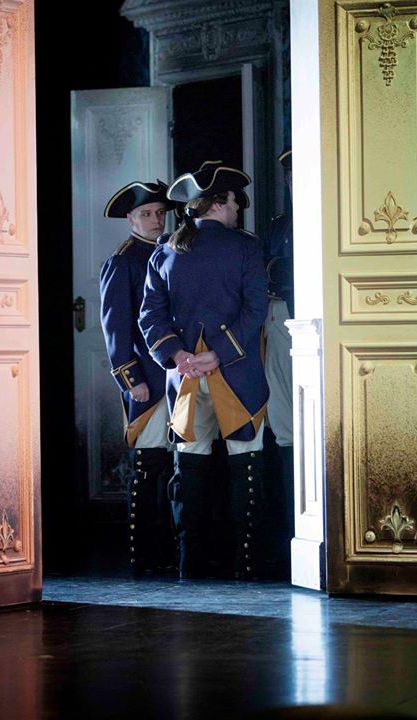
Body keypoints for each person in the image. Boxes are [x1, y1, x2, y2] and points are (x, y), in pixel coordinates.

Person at [139, 161, 269, 580]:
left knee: (189, 471)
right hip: (237, 374)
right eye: (233, 201)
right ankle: (247, 565)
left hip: (186, 379)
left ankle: (189, 565)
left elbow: (150, 316)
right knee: (245, 466)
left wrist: (178, 356)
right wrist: (219, 354)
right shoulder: (245, 248)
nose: (237, 209)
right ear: (217, 203)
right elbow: (256, 311)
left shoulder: (164, 250)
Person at [100, 180, 176, 575]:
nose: (155, 220)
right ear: (130, 219)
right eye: (146, 214)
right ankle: (145, 554)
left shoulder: (171, 252)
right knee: (149, 465)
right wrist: (132, 380)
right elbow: (115, 328)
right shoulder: (123, 261)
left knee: (174, 466)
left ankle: (169, 550)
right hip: (147, 378)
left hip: (176, 375)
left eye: (160, 213)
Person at [263, 148, 294, 577]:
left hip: (316, 322)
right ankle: (290, 531)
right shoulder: (277, 225)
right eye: (288, 175)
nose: (291, 182)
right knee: (283, 426)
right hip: (279, 321)